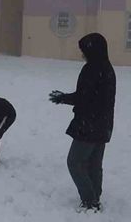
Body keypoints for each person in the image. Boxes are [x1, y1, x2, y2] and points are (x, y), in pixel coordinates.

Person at [49, 33, 116, 213]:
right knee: (94, 163)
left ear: (92, 49)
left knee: (75, 162)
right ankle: (95, 196)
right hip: (103, 124)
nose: (82, 54)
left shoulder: (92, 69)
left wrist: (64, 98)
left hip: (89, 125)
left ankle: (89, 200)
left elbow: (84, 97)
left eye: (84, 50)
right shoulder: (107, 68)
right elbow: (94, 97)